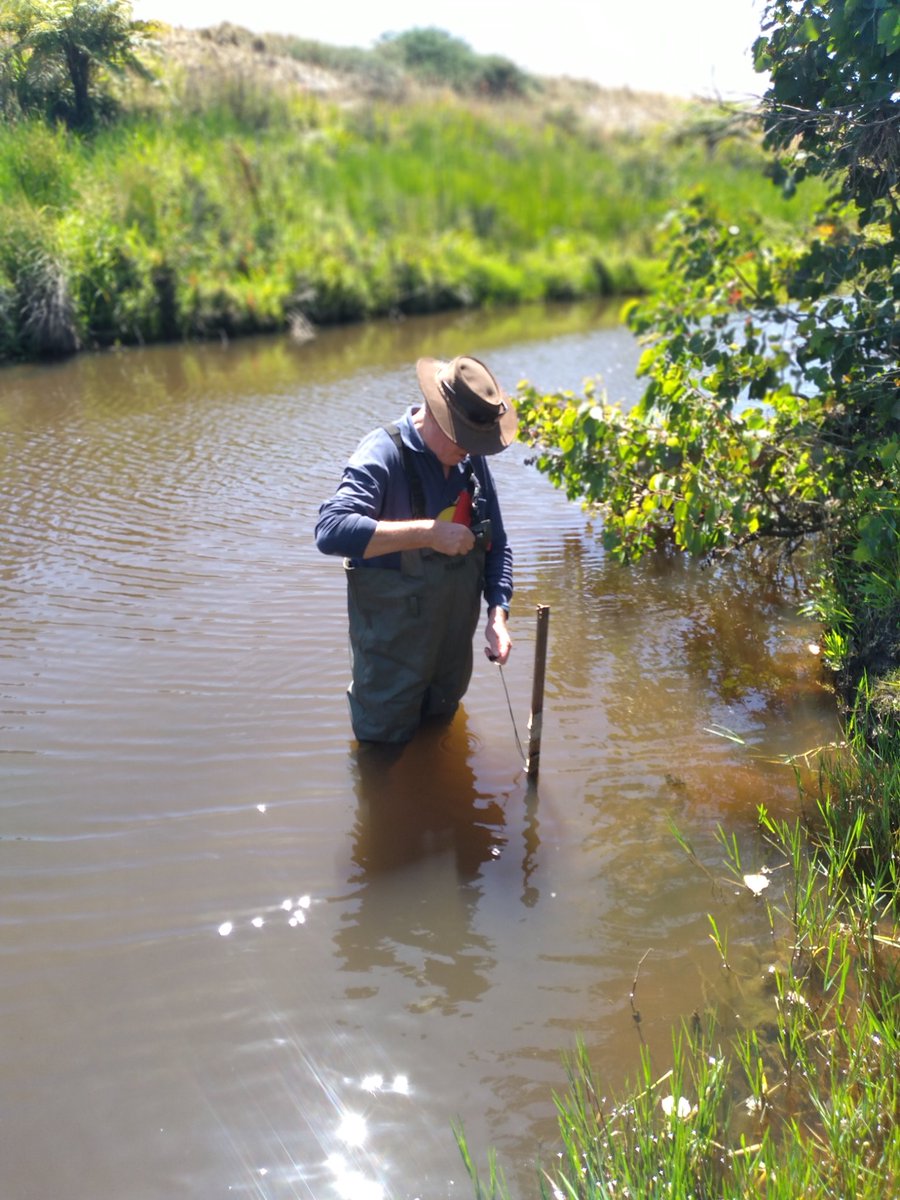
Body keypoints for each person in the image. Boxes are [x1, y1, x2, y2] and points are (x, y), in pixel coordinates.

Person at [315, 353, 516, 744]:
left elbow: (498, 545)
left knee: (441, 746)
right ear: (437, 417)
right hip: (390, 669)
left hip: (448, 665)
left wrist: (497, 613)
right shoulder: (383, 453)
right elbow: (330, 529)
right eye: (467, 440)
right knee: (380, 763)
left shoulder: (470, 462)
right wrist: (427, 533)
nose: (473, 451)